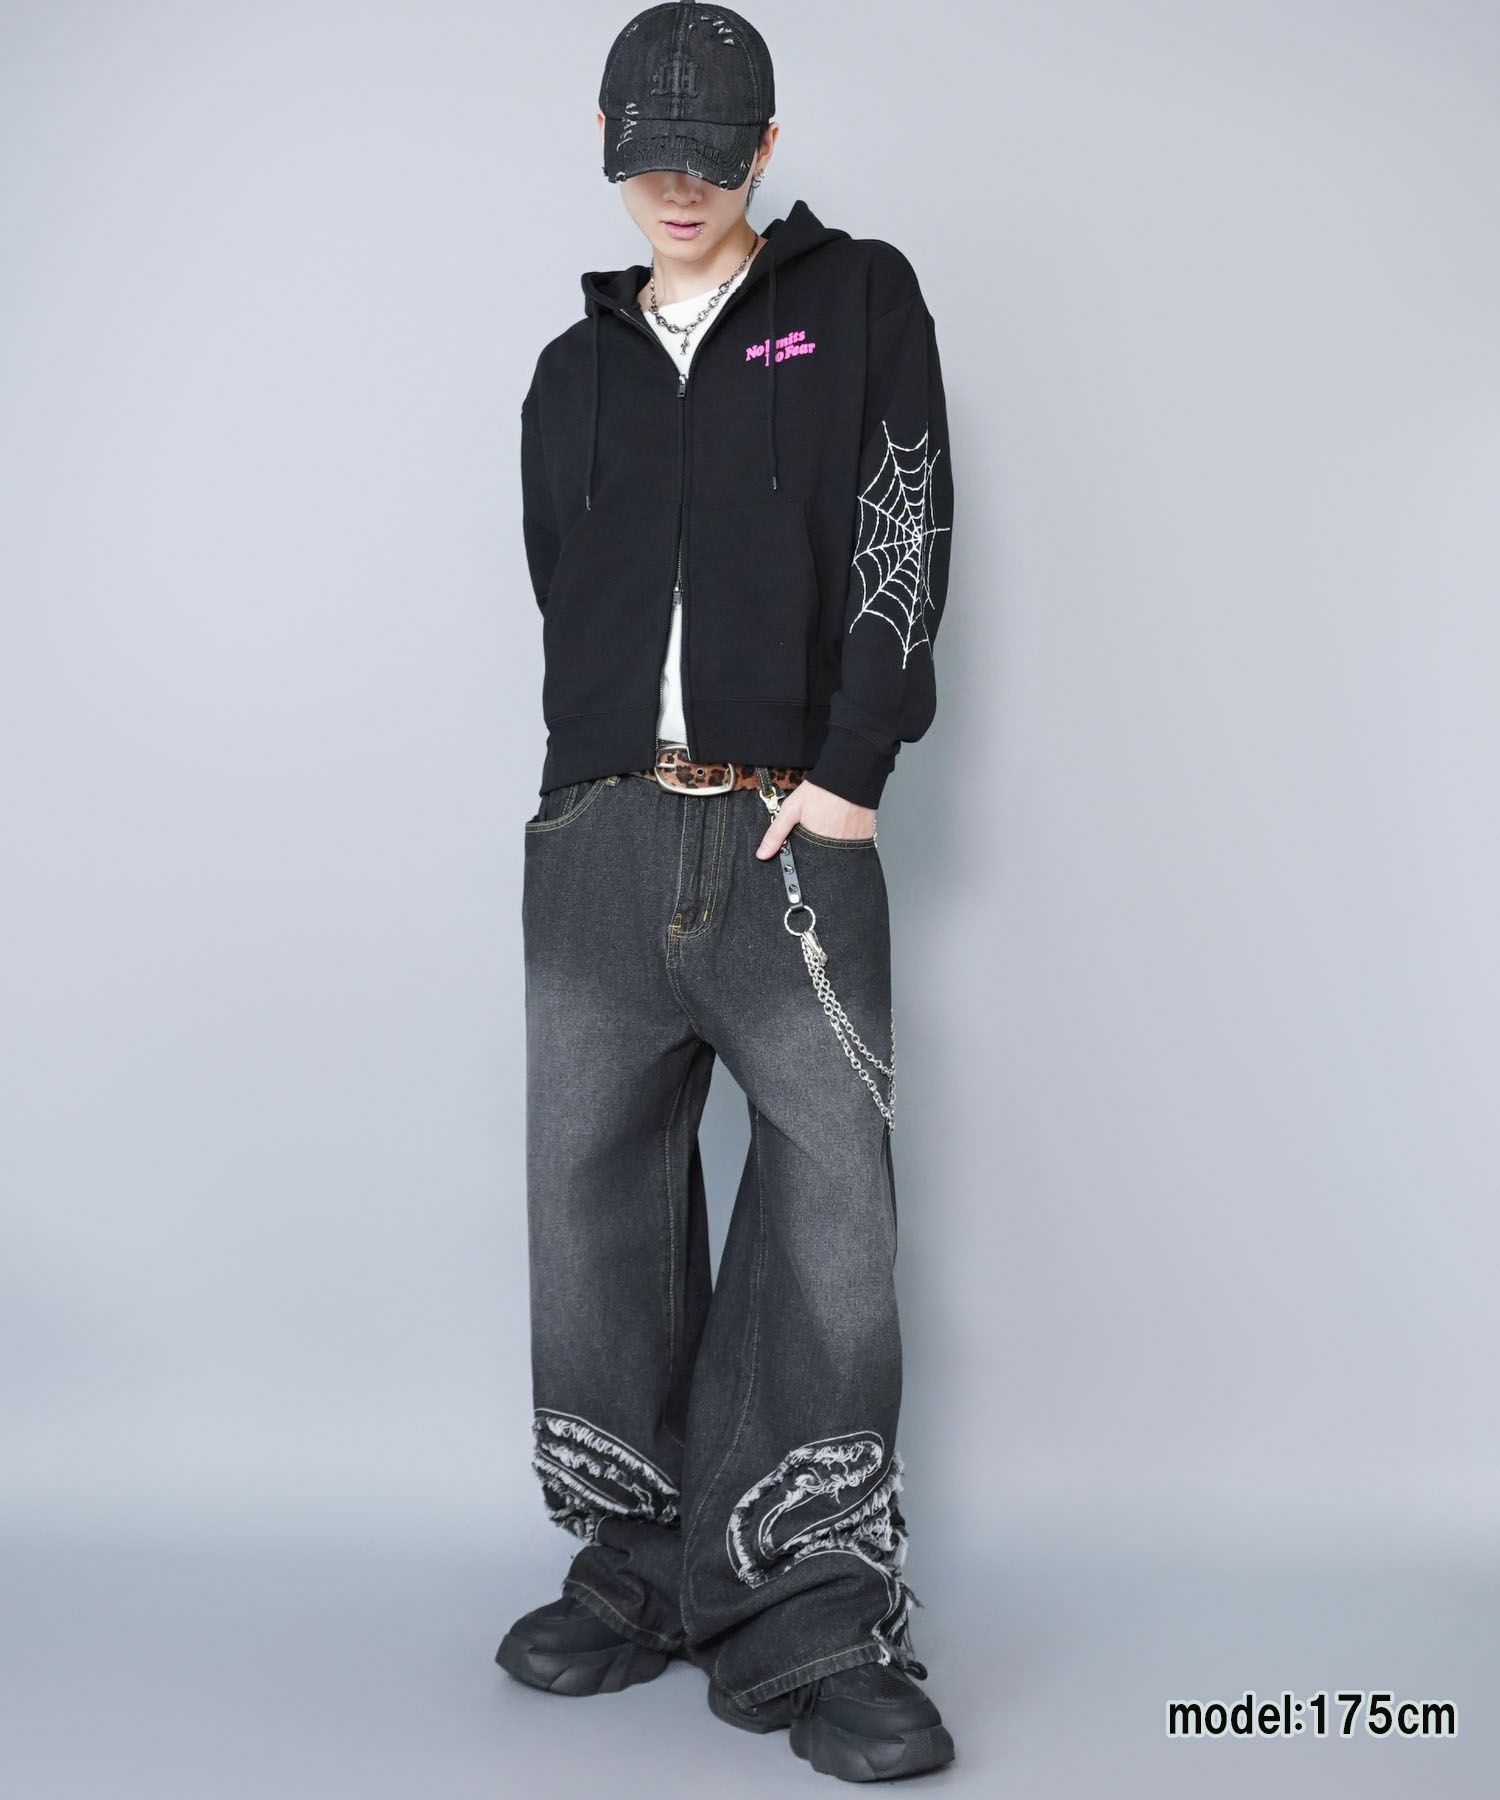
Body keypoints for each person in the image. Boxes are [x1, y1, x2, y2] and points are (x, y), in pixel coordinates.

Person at [496, 4, 956, 1782]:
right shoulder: (572, 371)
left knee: (831, 1218)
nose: (676, 188)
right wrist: (586, 787)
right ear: (606, 140)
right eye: (647, 155)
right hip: (604, 830)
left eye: (711, 155)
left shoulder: (861, 303)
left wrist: (849, 773)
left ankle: (814, 1613)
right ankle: (639, 1569)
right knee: (592, 1205)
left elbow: (906, 519)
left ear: (766, 147)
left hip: (792, 830)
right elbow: (564, 582)